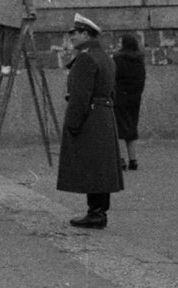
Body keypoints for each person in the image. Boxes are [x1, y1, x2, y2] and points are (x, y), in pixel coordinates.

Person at [56, 13, 124, 229]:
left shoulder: (86, 58)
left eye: (75, 33)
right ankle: (99, 211)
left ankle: (95, 213)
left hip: (90, 116)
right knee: (101, 167)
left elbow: (80, 96)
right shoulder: (105, 57)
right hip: (104, 115)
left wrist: (72, 123)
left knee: (93, 166)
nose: (72, 37)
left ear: (86, 34)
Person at [113, 33, 146, 171]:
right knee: (131, 127)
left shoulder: (117, 59)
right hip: (134, 98)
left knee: (119, 128)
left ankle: (121, 159)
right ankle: (133, 159)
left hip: (119, 96)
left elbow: (113, 77)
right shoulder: (139, 60)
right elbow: (142, 79)